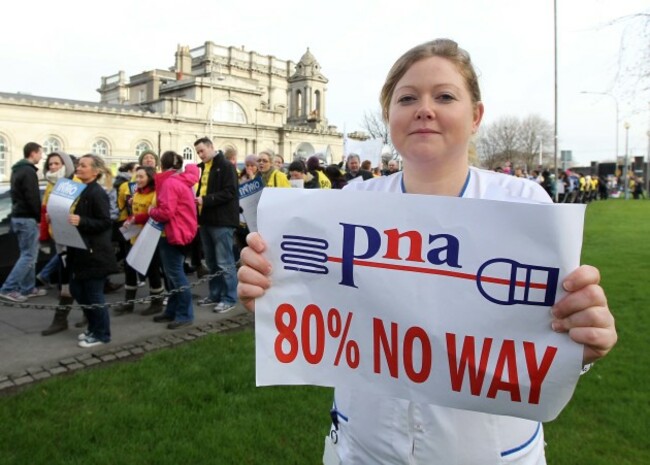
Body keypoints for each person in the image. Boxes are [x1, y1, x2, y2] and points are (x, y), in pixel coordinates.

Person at [237, 39, 618, 465]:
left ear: (475, 116)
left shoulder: (525, 204)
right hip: (364, 448)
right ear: (389, 117)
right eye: (407, 98)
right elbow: (315, 310)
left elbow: (547, 331)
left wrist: (581, 346)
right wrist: (270, 294)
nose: (424, 108)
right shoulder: (348, 206)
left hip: (491, 453)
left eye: (445, 96)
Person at [68, 154, 119, 348]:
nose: (78, 168)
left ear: (95, 171)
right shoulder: (83, 190)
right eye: (78, 165)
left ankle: (102, 334)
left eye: (83, 166)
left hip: (95, 252)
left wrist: (82, 221)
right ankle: (93, 327)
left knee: (93, 294)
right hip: (81, 249)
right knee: (77, 290)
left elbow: (105, 222)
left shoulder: (97, 193)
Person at [148, 151, 198, 329]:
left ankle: (184, 314)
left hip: (173, 233)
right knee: (173, 276)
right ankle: (172, 310)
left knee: (175, 275)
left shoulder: (169, 183)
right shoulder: (182, 180)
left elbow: (166, 212)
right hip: (182, 232)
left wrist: (151, 211)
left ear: (161, 165)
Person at [194, 137, 240, 313]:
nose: (200, 155)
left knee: (224, 261)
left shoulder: (226, 166)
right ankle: (215, 294)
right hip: (206, 220)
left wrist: (205, 200)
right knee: (212, 262)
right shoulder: (204, 167)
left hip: (222, 221)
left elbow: (230, 192)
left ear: (211, 148)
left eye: (202, 151)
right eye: (198, 152)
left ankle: (229, 298)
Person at [114, 166, 165, 316]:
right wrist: (129, 220)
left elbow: (155, 215)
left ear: (149, 177)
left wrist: (137, 218)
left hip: (150, 238)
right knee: (129, 269)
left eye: (141, 177)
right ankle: (128, 303)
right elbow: (134, 212)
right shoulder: (136, 193)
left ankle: (157, 303)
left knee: (152, 270)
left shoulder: (156, 194)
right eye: (137, 177)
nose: (138, 180)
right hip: (135, 237)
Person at [0, 142, 47, 303]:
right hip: (27, 218)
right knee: (28, 255)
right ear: (33, 153)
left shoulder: (17, 170)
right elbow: (32, 197)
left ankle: (28, 287)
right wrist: (38, 218)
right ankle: (8, 288)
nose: (42, 157)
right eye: (40, 153)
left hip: (18, 216)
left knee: (28, 254)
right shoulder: (28, 172)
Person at [38, 150, 77, 336]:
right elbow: (45, 213)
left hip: (74, 240)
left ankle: (63, 319)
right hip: (59, 239)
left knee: (74, 281)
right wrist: (44, 236)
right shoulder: (49, 186)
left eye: (57, 164)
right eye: (50, 164)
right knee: (66, 281)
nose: (53, 167)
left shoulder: (75, 184)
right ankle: (62, 320)